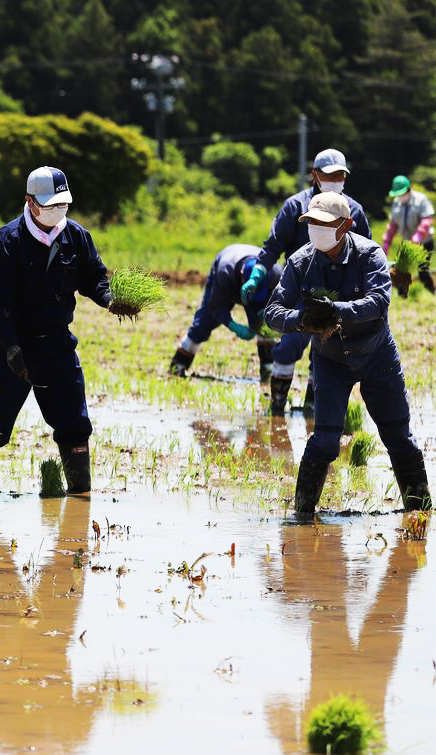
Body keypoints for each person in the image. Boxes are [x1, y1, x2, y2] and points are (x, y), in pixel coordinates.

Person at [0, 166, 119, 499]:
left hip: (58, 347)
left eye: (63, 204)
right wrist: (12, 349)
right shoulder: (8, 241)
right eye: (50, 205)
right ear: (30, 202)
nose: (57, 211)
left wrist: (110, 300)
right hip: (13, 348)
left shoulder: (76, 236)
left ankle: (79, 501)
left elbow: (94, 279)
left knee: (75, 426)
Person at [264, 192, 429, 514]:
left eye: (324, 224)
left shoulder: (370, 254)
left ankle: (420, 512)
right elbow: (273, 311)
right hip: (331, 360)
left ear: (346, 225)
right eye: (311, 223)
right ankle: (302, 517)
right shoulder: (300, 261)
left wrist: (336, 310)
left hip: (376, 355)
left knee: (398, 436)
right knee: (324, 439)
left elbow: (379, 301)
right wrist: (301, 319)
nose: (316, 229)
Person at [256, 148, 372, 416]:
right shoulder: (295, 206)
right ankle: (276, 408)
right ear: (315, 175)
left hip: (337, 296)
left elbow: (366, 251)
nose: (335, 179)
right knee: (287, 349)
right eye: (329, 174)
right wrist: (258, 272)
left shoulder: (354, 210)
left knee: (325, 353)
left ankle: (312, 409)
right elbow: (274, 245)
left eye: (340, 174)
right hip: (299, 291)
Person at [168, 244, 281, 380]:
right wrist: (233, 326)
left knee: (264, 325)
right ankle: (179, 364)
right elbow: (216, 307)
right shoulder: (225, 272)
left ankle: (267, 372)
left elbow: (281, 298)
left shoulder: (274, 272)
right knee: (206, 320)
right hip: (228, 273)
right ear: (241, 276)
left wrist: (265, 313)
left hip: (260, 289)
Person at [381, 175, 435, 289]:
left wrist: (418, 236)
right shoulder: (397, 202)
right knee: (400, 271)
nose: (400, 196)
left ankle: (431, 292)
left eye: (402, 194)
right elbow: (393, 225)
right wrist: (386, 243)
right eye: (398, 194)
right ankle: (402, 296)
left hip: (424, 243)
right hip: (407, 243)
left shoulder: (421, 200)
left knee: (423, 272)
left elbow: (427, 219)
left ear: (408, 189)